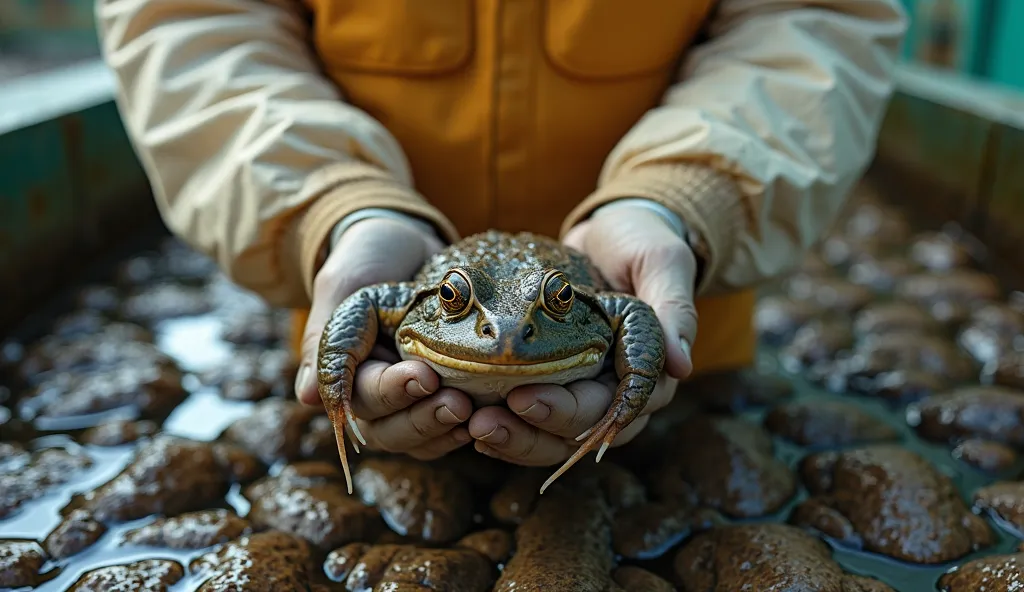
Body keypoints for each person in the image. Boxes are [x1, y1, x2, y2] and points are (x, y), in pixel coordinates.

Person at [95, 0, 906, 467]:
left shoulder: (598, 307)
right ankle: (353, 407)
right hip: (365, 261)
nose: (507, 334)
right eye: (469, 308)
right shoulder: (402, 295)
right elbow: (191, 20)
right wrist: (334, 208)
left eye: (544, 311)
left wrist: (682, 203)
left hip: (670, 280)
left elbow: (815, 17)